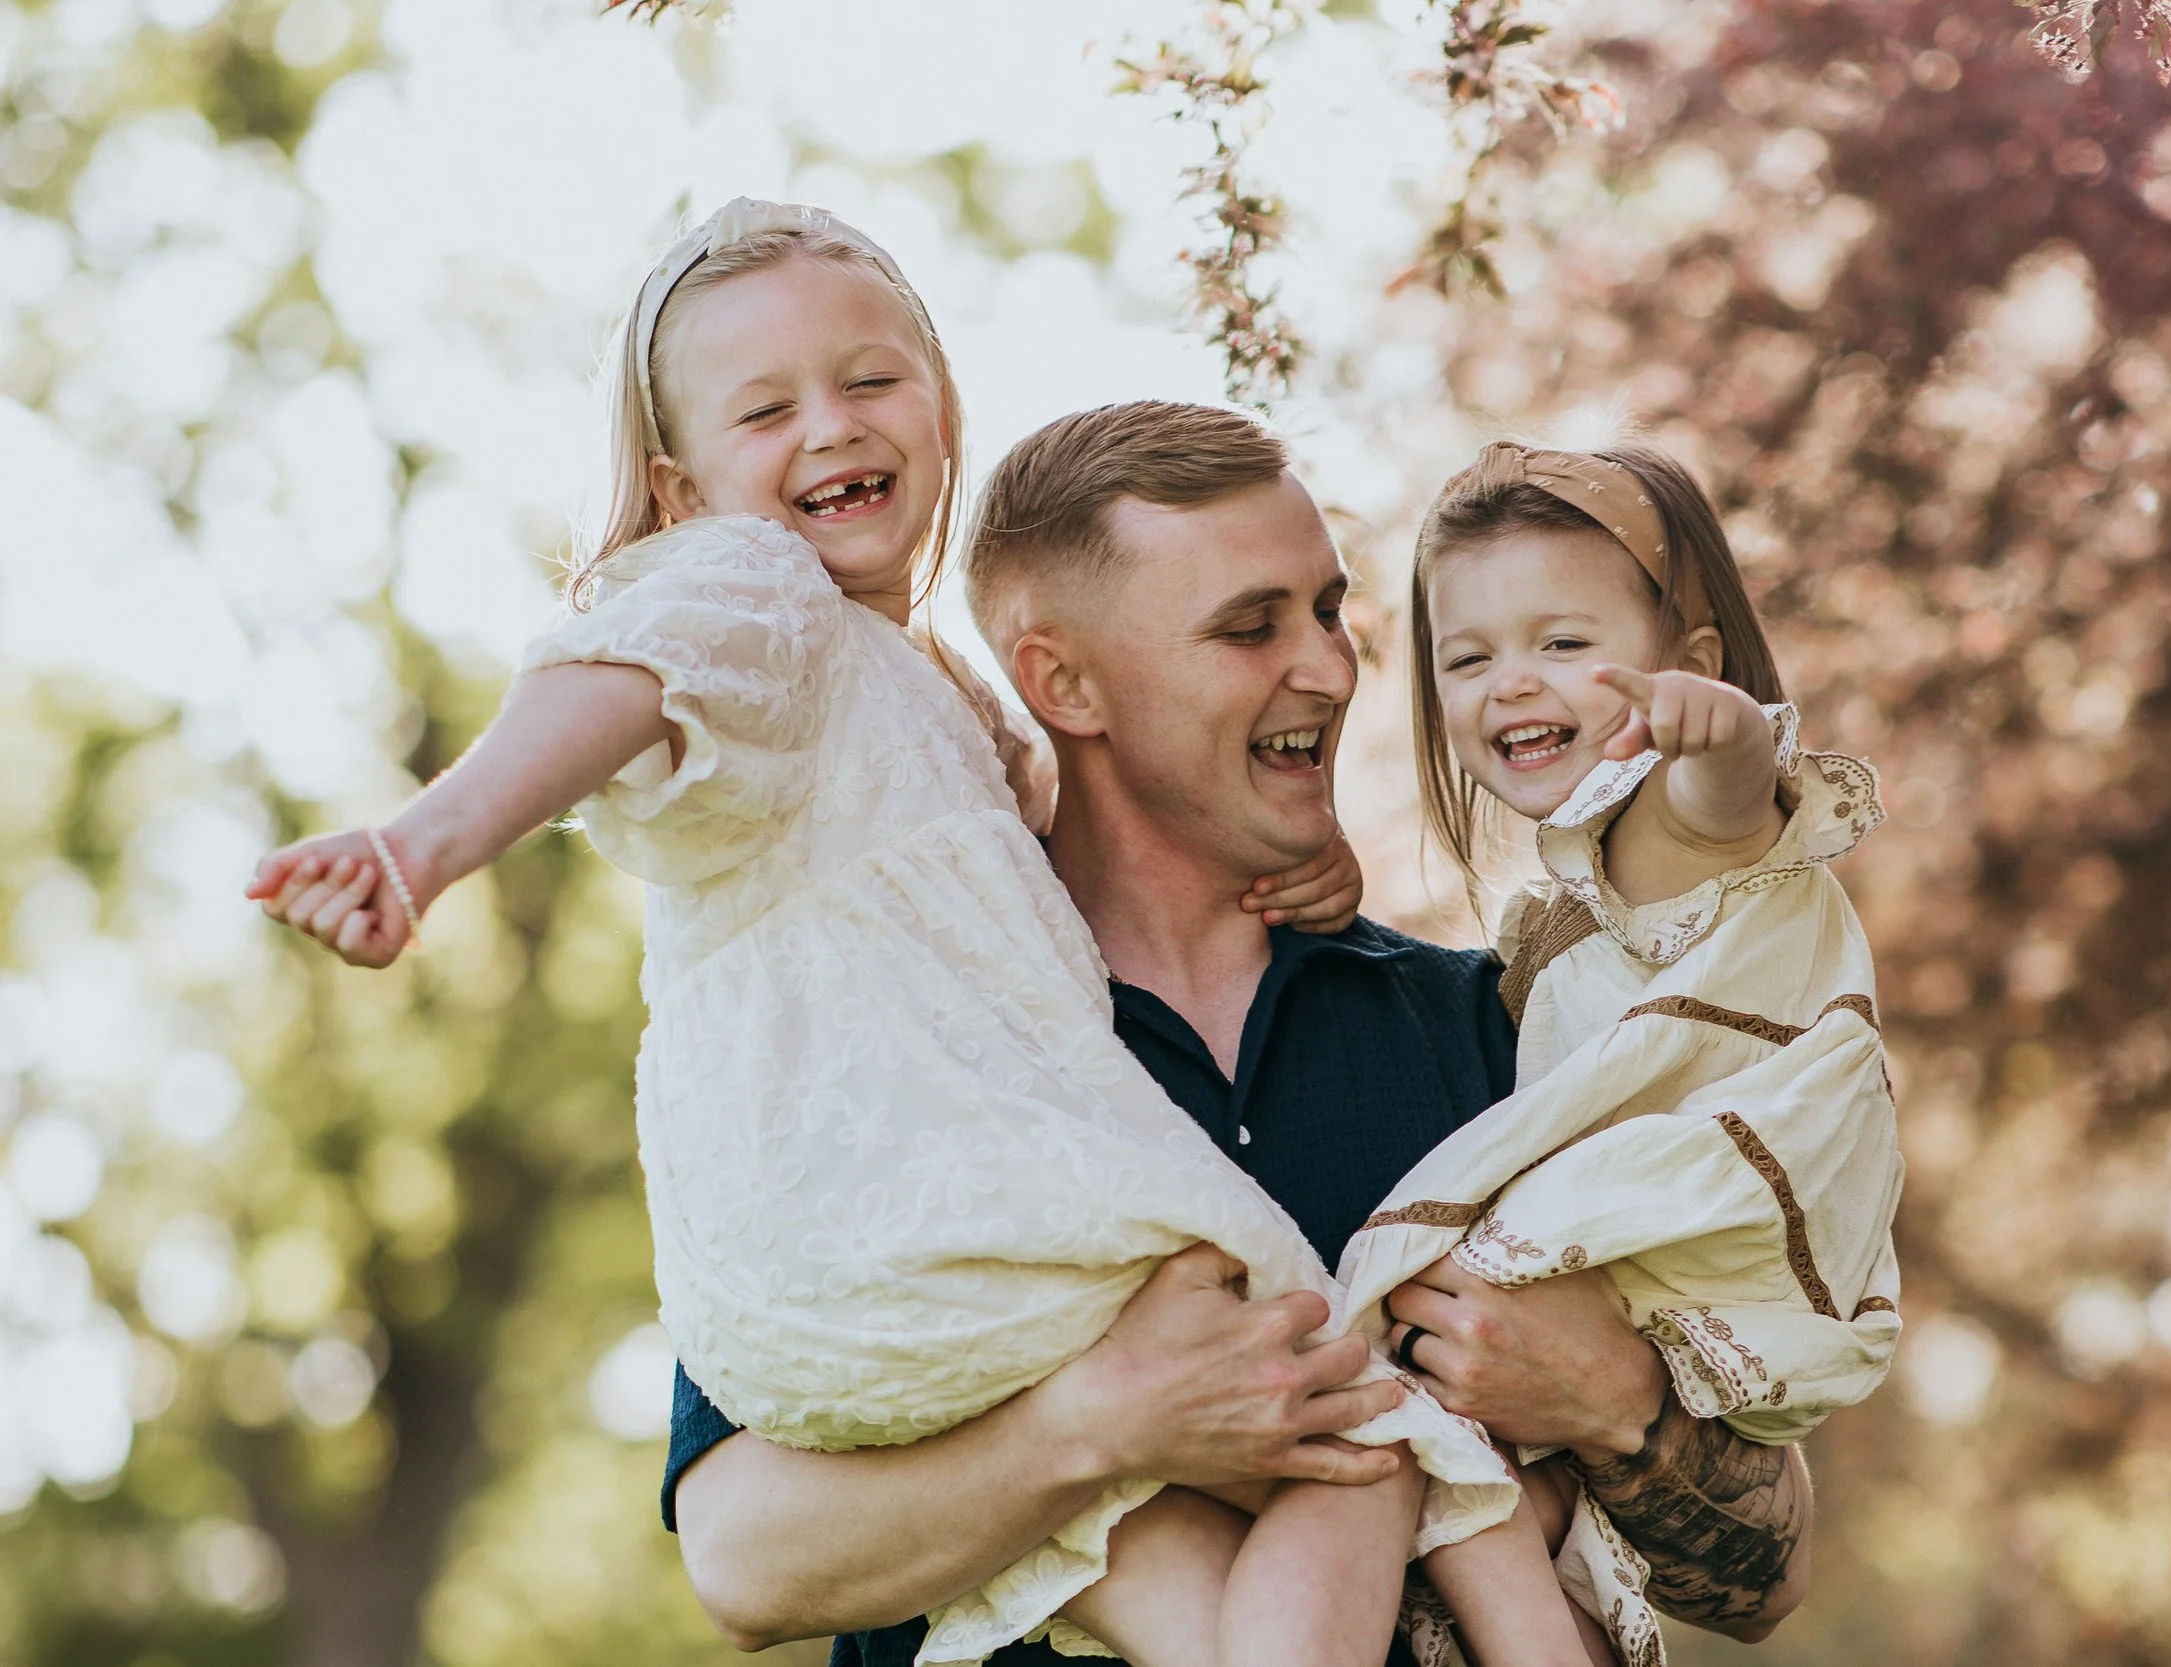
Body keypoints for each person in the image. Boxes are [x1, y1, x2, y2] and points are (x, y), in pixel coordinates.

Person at [243, 201, 1581, 1667]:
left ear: (940, 403)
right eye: (1249, 625)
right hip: (925, 1235)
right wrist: (425, 843)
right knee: (1374, 1436)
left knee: (1202, 1564)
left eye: (872, 379)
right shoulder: (749, 593)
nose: (830, 424)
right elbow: (622, 673)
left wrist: (1612, 1387)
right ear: (684, 488)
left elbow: (1758, 1546)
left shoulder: (946, 716)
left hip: (892, 1282)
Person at [666, 403, 1820, 1667]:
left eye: (1327, 608)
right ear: (1065, 681)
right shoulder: (892, 1034)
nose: (1331, 667)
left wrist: (1624, 1409)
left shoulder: (1486, 1028)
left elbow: (1768, 1575)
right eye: (1249, 625)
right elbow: (740, 1562)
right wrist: (1100, 1426)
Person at [1333, 441, 1905, 1664]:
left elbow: (1727, 800)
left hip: (1672, 1221)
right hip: (1649, 1247)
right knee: (1482, 1492)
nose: (1509, 684)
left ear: (1686, 666)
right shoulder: (1571, 900)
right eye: (1467, 657)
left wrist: (1721, 739)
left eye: (1560, 642)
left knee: (1423, 1440)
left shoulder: (1670, 818)